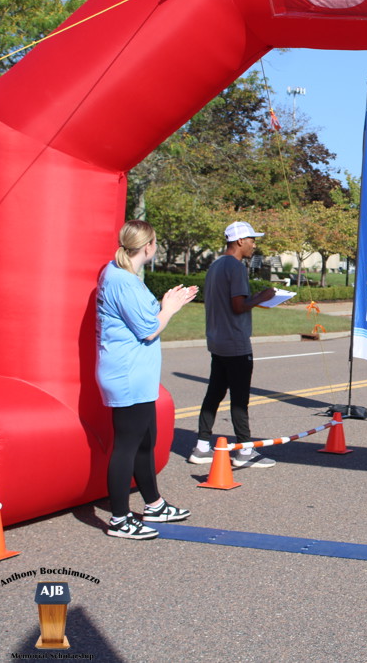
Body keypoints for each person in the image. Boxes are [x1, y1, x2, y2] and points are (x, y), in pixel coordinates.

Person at [96, 220, 196, 539]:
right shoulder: (123, 280)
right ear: (149, 246)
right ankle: (119, 519)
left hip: (137, 374)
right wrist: (170, 308)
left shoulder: (121, 274)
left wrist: (167, 303)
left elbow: (143, 317)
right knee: (126, 447)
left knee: (145, 442)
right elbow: (148, 330)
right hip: (128, 375)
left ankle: (154, 505)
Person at [189, 221, 276, 468]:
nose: (254, 245)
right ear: (240, 241)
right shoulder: (236, 267)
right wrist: (263, 297)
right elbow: (238, 306)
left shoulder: (215, 265)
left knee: (214, 393)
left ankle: (201, 446)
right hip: (236, 342)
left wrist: (254, 298)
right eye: (252, 240)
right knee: (239, 398)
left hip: (217, 340)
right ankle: (244, 450)